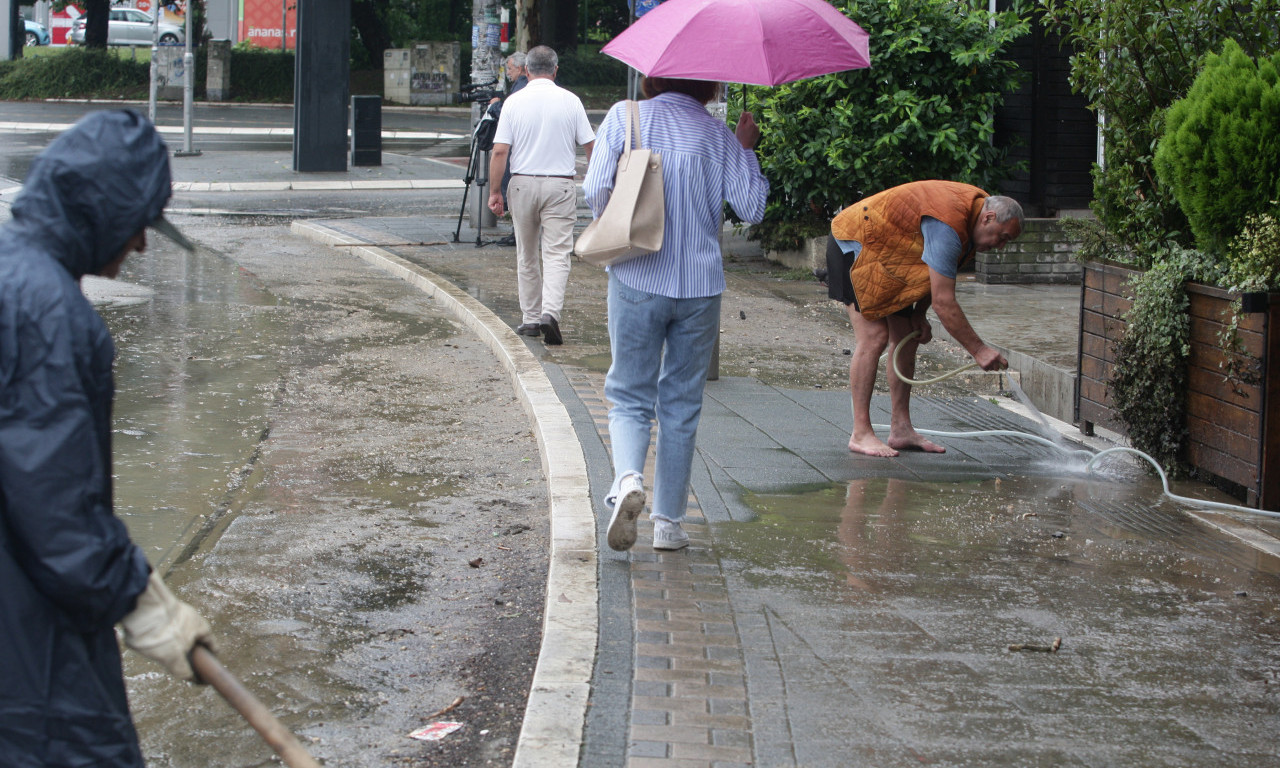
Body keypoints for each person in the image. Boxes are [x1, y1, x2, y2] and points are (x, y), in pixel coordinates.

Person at [0, 110, 216, 766]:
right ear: (101, 213)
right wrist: (138, 599)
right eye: (139, 227)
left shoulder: (13, 274)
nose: (143, 248)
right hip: (27, 632)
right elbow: (58, 511)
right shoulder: (52, 318)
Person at [583, 78, 768, 551]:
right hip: (700, 287)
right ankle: (668, 523)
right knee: (681, 404)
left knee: (628, 393)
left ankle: (627, 479)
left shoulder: (625, 117)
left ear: (652, 75)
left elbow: (595, 191)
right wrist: (745, 150)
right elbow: (752, 208)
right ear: (709, 84)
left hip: (637, 276)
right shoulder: (719, 135)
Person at [827, 180, 1024, 458]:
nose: (1001, 246)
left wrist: (919, 313)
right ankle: (860, 433)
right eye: (1002, 237)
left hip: (891, 259)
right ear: (989, 218)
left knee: (906, 335)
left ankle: (901, 429)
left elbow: (940, 272)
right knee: (875, 337)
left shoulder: (970, 221)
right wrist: (978, 350)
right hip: (854, 242)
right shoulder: (949, 222)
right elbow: (944, 302)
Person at [487, 45, 595, 344]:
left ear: (526, 70)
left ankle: (531, 319)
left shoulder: (513, 102)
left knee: (527, 253)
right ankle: (551, 313)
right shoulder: (571, 101)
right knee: (558, 253)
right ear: (556, 70)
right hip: (559, 185)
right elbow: (590, 147)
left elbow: (500, 151)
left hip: (521, 184)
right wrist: (597, 181)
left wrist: (496, 191)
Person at [487, 51, 530, 246]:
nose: (509, 73)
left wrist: (495, 106)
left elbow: (507, 113)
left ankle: (517, 234)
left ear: (521, 68)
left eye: (510, 69)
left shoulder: (521, 86)